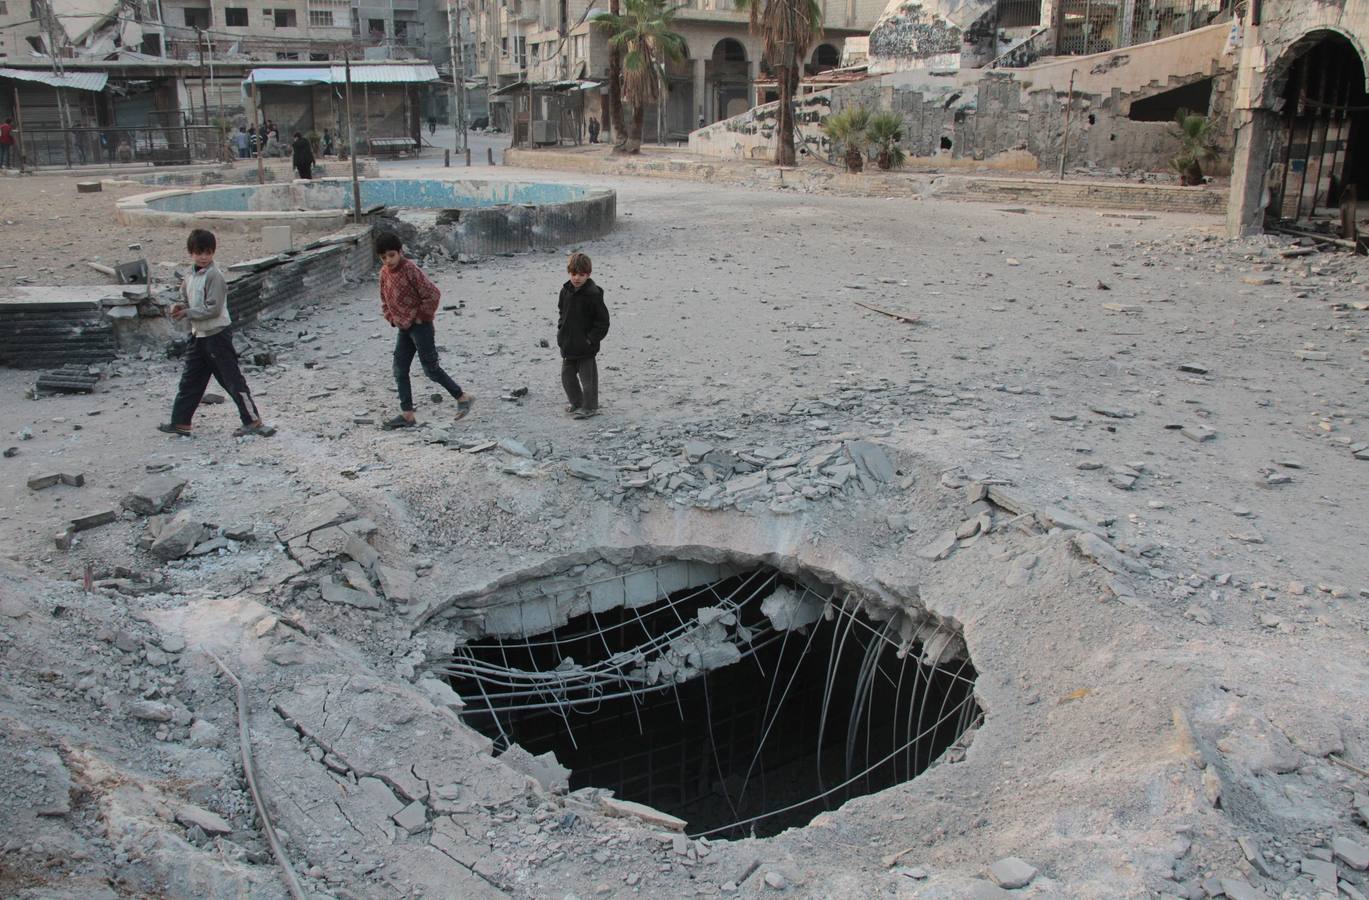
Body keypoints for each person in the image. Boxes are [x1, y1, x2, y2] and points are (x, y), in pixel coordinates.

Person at [159, 229, 274, 438]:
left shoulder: (215, 276)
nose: (204, 257)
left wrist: (186, 312)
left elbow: (212, 308)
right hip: (199, 335)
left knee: (231, 379)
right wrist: (178, 307)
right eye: (199, 252)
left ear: (213, 253)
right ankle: (180, 422)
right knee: (190, 380)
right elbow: (185, 298)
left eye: (208, 252)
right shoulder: (190, 275)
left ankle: (252, 420)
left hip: (217, 335)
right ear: (190, 253)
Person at [375, 232, 474, 429]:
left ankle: (462, 397)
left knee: (430, 369)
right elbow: (384, 300)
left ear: (400, 252)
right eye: (383, 257)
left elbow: (433, 294)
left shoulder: (411, 270)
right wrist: (391, 318)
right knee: (399, 369)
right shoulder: (384, 273)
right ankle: (407, 414)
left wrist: (421, 317)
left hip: (421, 328)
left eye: (392, 255)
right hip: (403, 328)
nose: (388, 260)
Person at [557, 251, 609, 420]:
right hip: (568, 345)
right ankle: (576, 402)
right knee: (567, 377)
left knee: (588, 381)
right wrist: (561, 333)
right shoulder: (565, 291)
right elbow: (561, 313)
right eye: (573, 274)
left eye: (581, 274)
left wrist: (590, 339)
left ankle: (590, 407)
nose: (577, 278)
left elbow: (602, 322)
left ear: (588, 274)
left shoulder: (594, 295)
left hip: (586, 348)